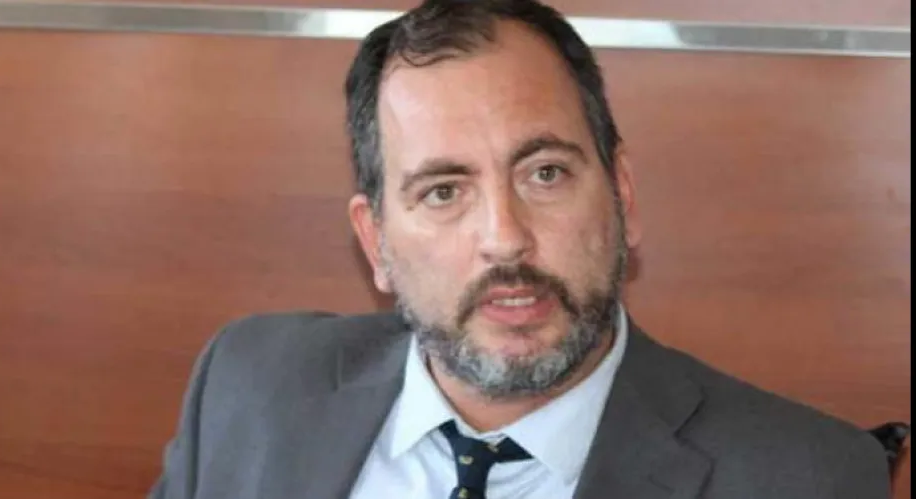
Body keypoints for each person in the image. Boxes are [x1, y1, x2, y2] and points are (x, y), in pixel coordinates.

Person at [149, 1, 891, 497]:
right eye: (444, 191)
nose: (504, 237)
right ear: (375, 241)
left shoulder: (807, 479)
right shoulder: (248, 384)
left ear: (623, 198)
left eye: (545, 174)